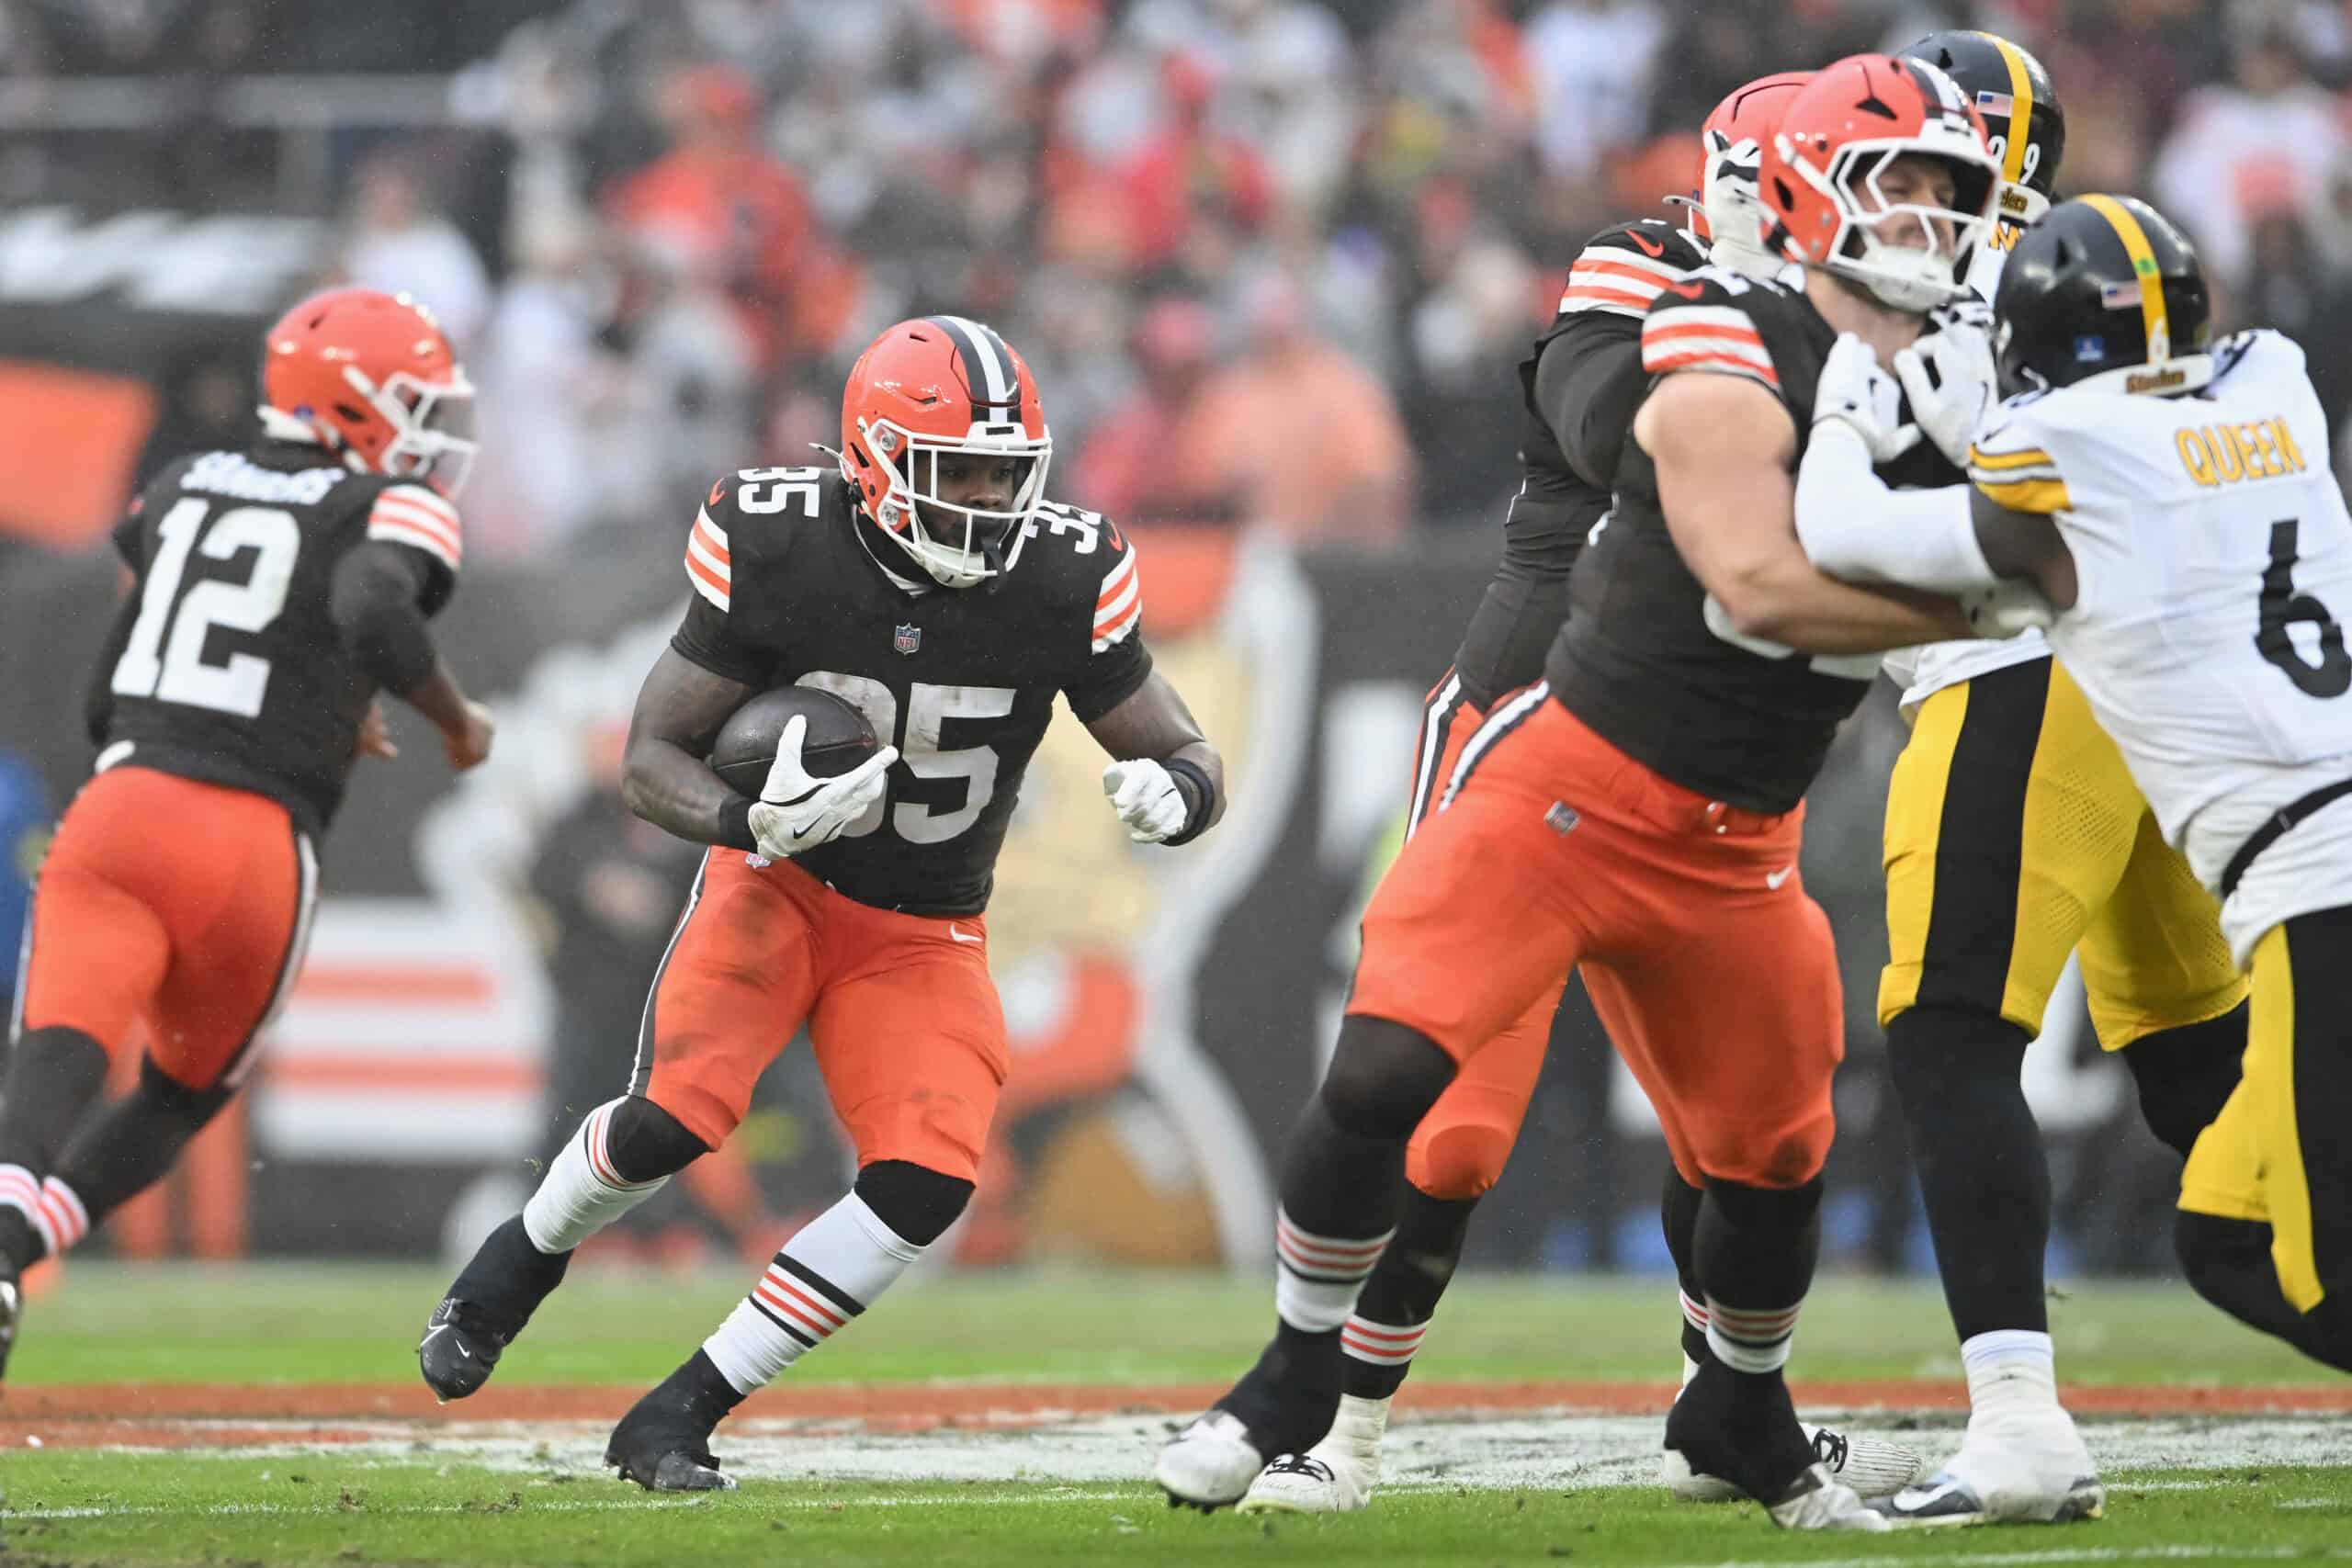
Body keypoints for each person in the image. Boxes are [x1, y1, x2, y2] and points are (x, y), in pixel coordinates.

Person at [1157, 55, 2024, 1531]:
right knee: (1433, 1110)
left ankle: (1736, 1403)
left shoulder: (1952, 350)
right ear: (1780, 196)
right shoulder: (1691, 303)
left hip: (1738, 818)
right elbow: (1717, 526)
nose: (1935, 223)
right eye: (1901, 190)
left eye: (1955, 192)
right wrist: (1991, 566)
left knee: (1765, 1150)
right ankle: (1320, 1404)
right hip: (1553, 736)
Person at [417, 314, 1228, 1493]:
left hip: (924, 927)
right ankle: (508, 1271)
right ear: (873, 461)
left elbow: (1183, 746)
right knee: (673, 1120)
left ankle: (679, 1414)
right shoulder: (781, 540)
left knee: (928, 1181)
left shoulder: (1061, 570)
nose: (990, 500)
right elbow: (651, 758)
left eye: (1009, 473)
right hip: (779, 886)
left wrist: (1181, 792)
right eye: (959, 472)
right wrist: (750, 824)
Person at [1788, 190, 2352, 1437]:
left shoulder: (2074, 455)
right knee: (2222, 1229)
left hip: (2316, 874)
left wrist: (1849, 407)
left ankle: (2015, 1416)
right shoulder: (2280, 382)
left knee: (2326, 1262)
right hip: (2304, 851)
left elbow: (1842, 531)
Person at [1853, 30, 2247, 1528]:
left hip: (2018, 676)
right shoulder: (2095, 278)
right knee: (2202, 1068)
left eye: (1903, 152)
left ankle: (2016, 1417)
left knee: (1950, 1031)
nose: (1878, 182)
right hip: (2155, 682)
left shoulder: (1960, 280)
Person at [0, 288, 496, 1376]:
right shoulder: (387, 503)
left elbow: (111, 683)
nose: (432, 431)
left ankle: (6, 1238)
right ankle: (34, 1237)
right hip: (253, 843)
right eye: (414, 404)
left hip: (122, 805)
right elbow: (370, 606)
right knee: (181, 1098)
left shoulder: (180, 483)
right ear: (351, 402)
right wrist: (455, 722)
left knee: (51, 1061)